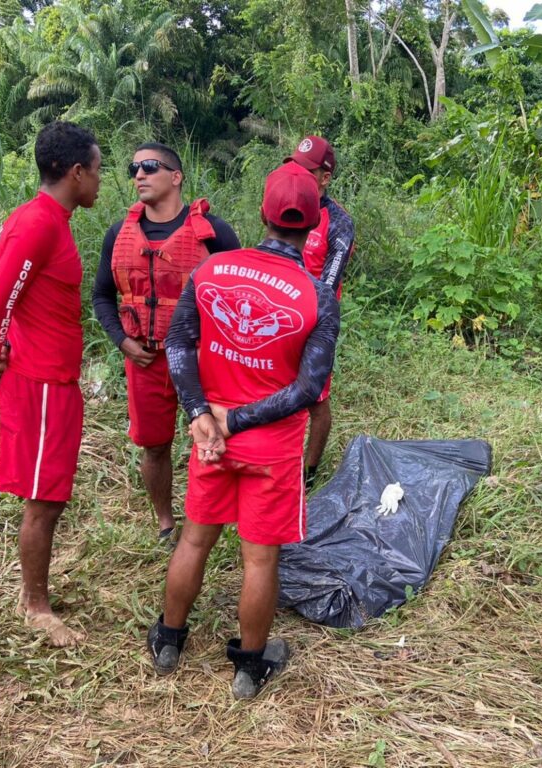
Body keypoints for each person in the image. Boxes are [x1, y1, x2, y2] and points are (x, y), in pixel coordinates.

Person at [146, 162, 340, 699]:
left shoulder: (211, 272)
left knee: (193, 539)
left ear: (262, 212)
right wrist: (240, 418)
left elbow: (180, 345)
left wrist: (200, 413)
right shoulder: (317, 297)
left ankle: (168, 640)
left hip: (210, 439)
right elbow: (308, 388)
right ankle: (249, 669)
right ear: (314, 221)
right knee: (260, 558)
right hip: (272, 448)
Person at [0, 121, 101, 647]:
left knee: (47, 493)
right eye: (97, 170)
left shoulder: (43, 219)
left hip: (51, 379)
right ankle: (35, 605)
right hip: (42, 383)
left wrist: (1, 355)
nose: (100, 181)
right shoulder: (39, 225)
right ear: (74, 172)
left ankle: (35, 593)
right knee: (43, 499)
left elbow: (15, 304)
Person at [92, 143, 240, 547]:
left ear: (175, 176)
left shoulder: (215, 233)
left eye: (150, 167)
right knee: (154, 446)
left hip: (201, 361)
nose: (139, 174)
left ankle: (212, 518)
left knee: (213, 437)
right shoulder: (118, 235)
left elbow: (240, 294)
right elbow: (102, 296)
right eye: (133, 167)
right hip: (145, 361)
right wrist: (122, 341)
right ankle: (165, 523)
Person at [284, 135, 355, 489]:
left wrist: (305, 320)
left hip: (316, 322)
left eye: (306, 170)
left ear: (324, 178)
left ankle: (308, 472)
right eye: (293, 167)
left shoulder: (338, 221)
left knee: (315, 396)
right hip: (280, 318)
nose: (296, 176)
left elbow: (328, 282)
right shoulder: (283, 206)